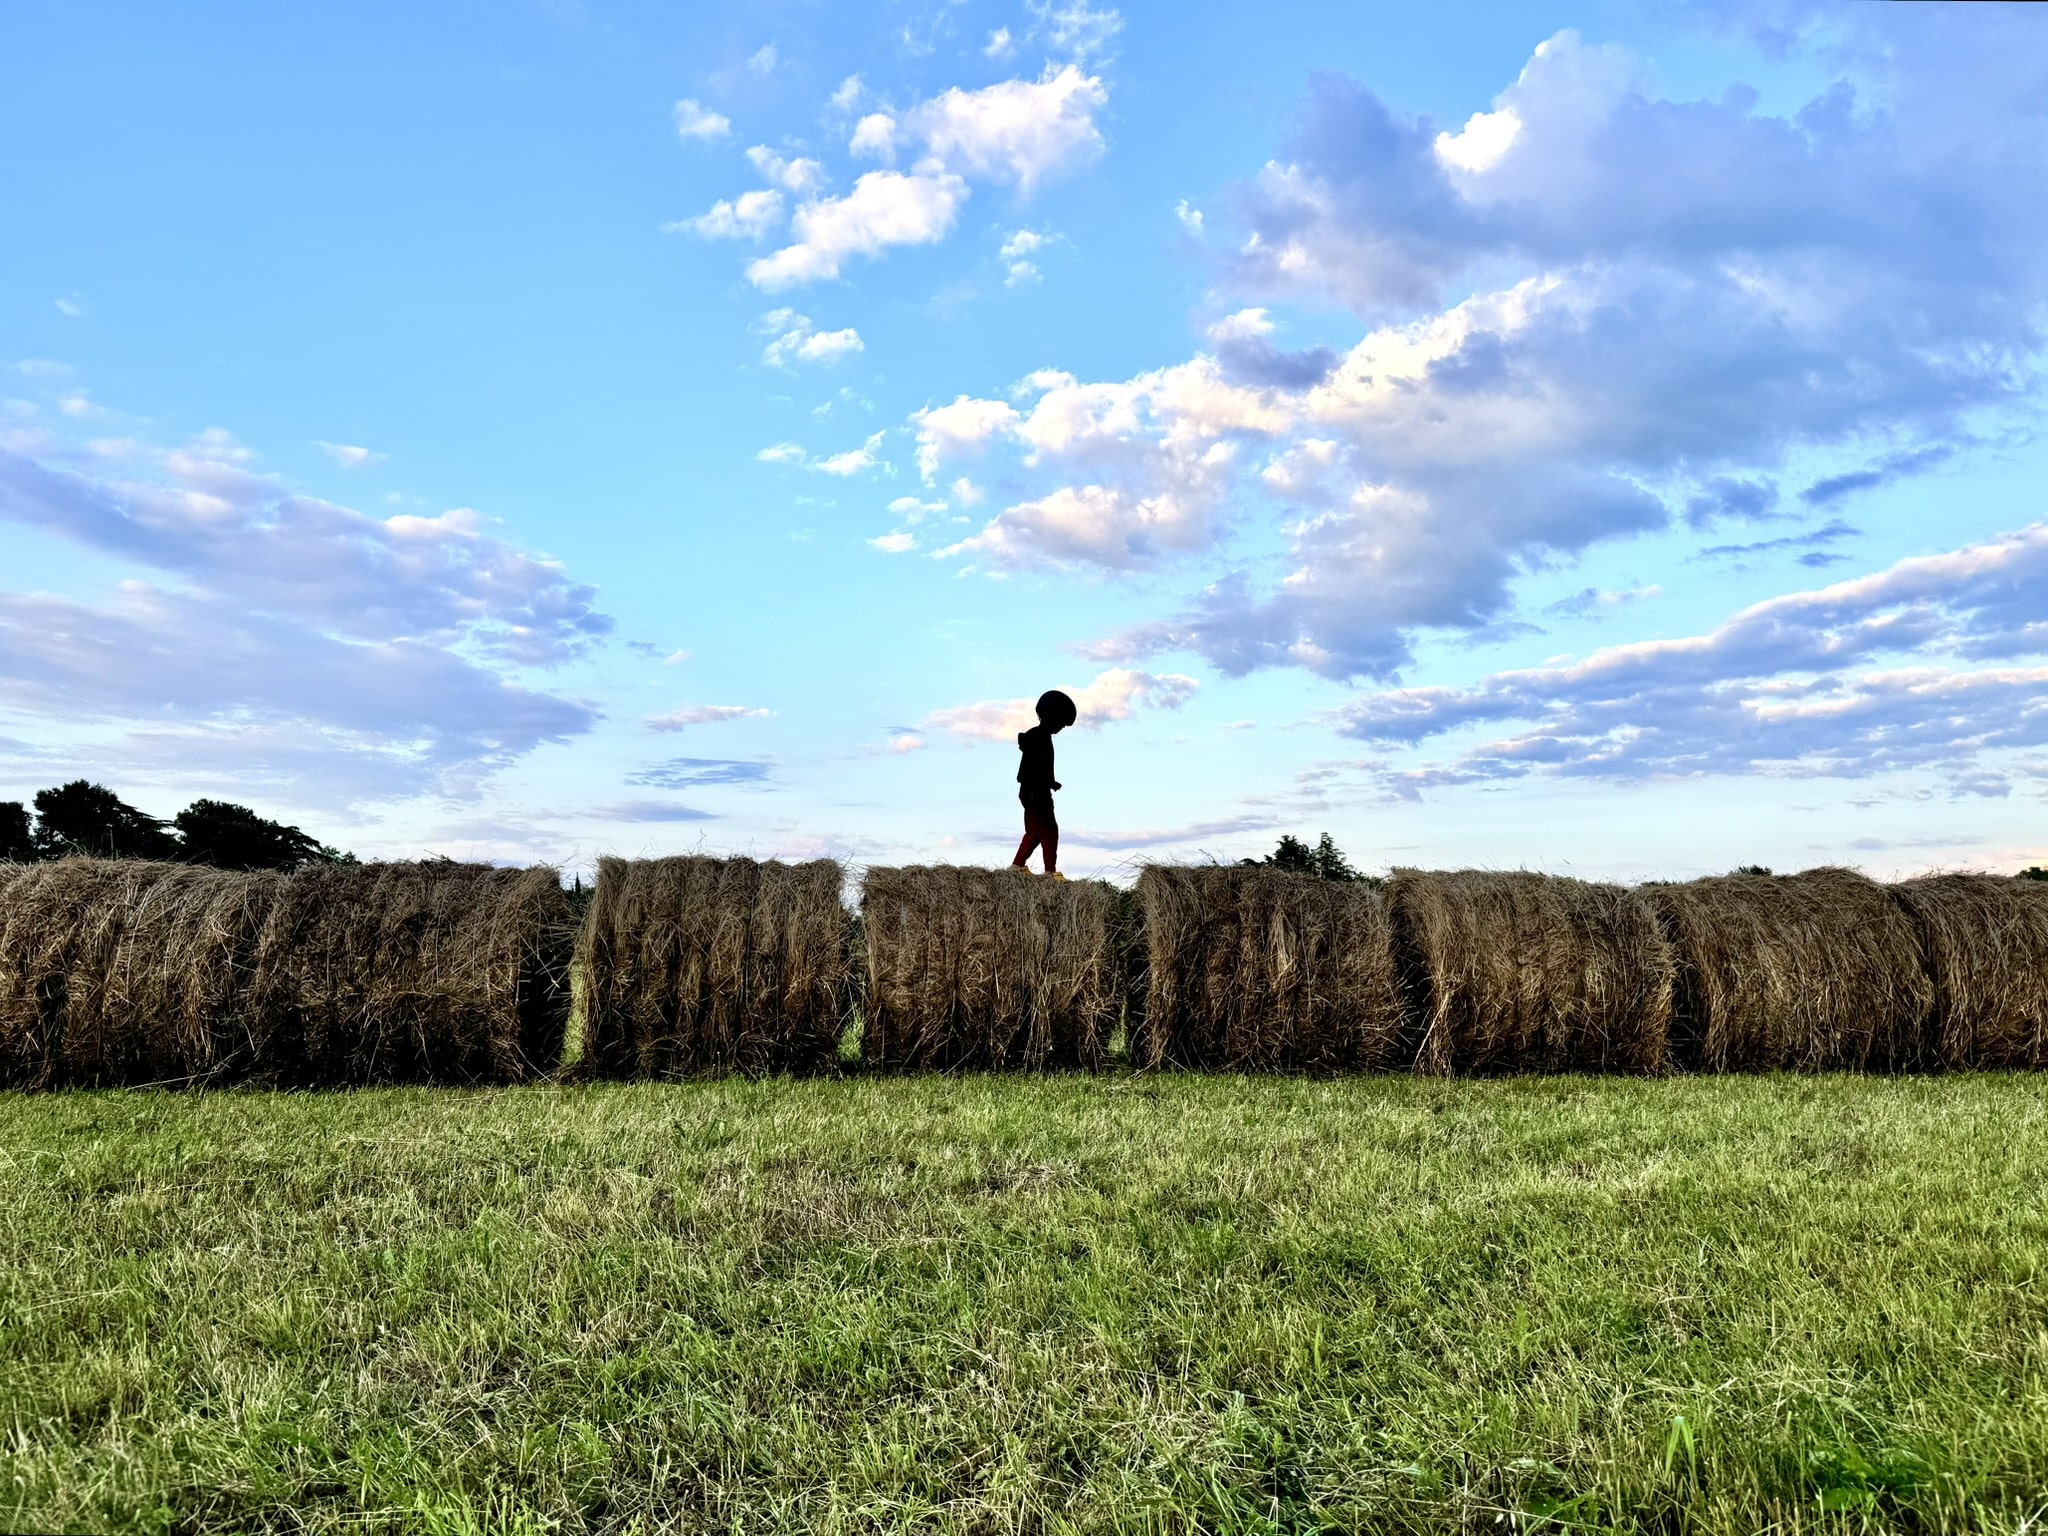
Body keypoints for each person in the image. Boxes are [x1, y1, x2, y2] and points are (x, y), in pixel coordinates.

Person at [1010, 688, 1077, 878]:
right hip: (1036, 793)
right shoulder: (1038, 737)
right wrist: (1043, 785)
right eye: (1062, 724)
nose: (1061, 728)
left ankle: (1016, 867)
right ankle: (1050, 872)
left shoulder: (1039, 737)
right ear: (1052, 717)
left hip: (1031, 791)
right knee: (1049, 831)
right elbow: (1033, 768)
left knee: (1034, 832)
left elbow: (1038, 767)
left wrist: (1051, 782)